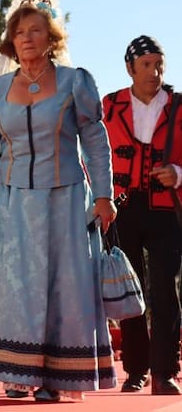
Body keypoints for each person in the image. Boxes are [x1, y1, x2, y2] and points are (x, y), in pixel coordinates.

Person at [0, 0, 117, 402]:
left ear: (51, 38)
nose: (27, 38)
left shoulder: (74, 82)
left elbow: (95, 140)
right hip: (13, 201)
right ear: (10, 42)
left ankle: (59, 379)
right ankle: (19, 373)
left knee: (65, 283)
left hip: (67, 198)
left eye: (35, 30)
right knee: (16, 283)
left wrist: (104, 195)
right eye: (20, 32)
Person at [102, 35, 182, 395]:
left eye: (159, 64)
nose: (154, 71)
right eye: (146, 64)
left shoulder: (179, 106)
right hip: (122, 208)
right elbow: (93, 153)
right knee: (129, 292)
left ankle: (165, 371)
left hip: (167, 209)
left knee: (165, 290)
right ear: (130, 68)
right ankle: (136, 370)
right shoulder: (109, 106)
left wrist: (178, 172)